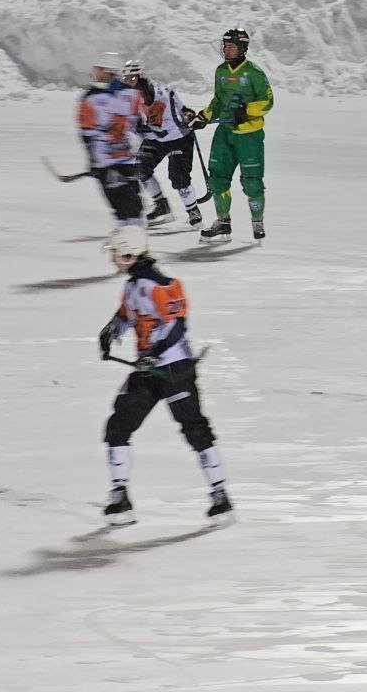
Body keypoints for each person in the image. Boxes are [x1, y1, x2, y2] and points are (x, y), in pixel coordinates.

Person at [97, 225, 232, 526]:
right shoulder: (132, 286)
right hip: (148, 372)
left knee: (194, 427)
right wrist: (109, 332)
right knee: (118, 426)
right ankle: (120, 497)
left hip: (174, 370)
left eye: (116, 254)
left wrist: (155, 353)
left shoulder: (162, 285)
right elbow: (125, 315)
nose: (113, 259)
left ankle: (220, 496)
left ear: (130, 254)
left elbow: (177, 325)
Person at [183, 28, 274, 242]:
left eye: (231, 45)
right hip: (224, 133)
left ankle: (257, 222)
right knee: (217, 179)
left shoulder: (254, 72)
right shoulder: (221, 71)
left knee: (251, 181)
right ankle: (223, 223)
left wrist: (247, 111)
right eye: (225, 45)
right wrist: (203, 117)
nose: (226, 49)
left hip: (249, 136)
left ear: (242, 48)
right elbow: (218, 101)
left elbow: (268, 101)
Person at [121, 60, 203, 229]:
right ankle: (161, 206)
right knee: (140, 169)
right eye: (126, 79)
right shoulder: (132, 99)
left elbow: (172, 124)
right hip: (156, 139)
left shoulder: (162, 96)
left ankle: (193, 211)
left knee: (178, 178)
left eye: (132, 77)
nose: (129, 82)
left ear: (141, 77)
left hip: (178, 138)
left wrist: (188, 116)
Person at [78, 52, 144, 228]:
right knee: (133, 208)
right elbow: (137, 126)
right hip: (125, 160)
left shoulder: (90, 98)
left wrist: (95, 162)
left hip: (111, 162)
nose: (95, 72)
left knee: (125, 210)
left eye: (99, 68)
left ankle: (129, 250)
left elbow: (88, 134)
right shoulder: (131, 93)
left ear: (108, 70)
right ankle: (134, 249)